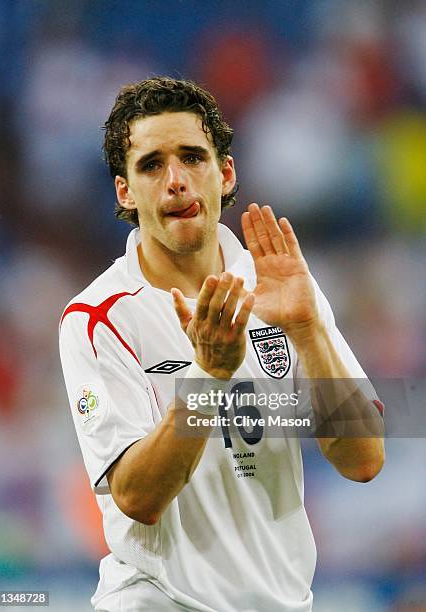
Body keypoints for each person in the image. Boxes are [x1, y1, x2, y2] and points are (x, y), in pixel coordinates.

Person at [59, 77, 385, 611]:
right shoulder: (97, 318)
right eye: (151, 165)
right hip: (159, 600)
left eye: (192, 157)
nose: (176, 182)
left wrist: (308, 332)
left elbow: (364, 459)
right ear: (125, 191)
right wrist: (208, 374)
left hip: (280, 600)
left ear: (225, 173)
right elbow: (138, 498)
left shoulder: (281, 285)